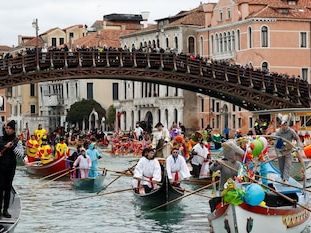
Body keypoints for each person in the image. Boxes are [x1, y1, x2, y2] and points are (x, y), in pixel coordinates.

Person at [0, 120, 24, 218]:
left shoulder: (17, 141)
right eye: (7, 128)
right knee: (0, 188)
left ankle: (5, 210)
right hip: (0, 167)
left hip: (10, 168)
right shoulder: (0, 139)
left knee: (8, 188)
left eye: (10, 129)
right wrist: (4, 146)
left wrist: (12, 147)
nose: (8, 130)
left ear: (13, 130)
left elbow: (21, 155)